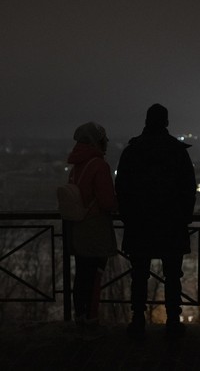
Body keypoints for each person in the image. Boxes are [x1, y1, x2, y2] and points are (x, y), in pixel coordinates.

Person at [115, 103, 196, 338]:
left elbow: (122, 189)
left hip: (140, 224)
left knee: (139, 275)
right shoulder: (178, 151)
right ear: (166, 122)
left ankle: (138, 320)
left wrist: (129, 217)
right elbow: (188, 189)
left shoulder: (132, 151)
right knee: (173, 276)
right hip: (171, 224)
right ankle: (172, 321)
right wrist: (183, 217)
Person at [66, 122, 118, 331]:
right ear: (97, 141)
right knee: (95, 275)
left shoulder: (76, 167)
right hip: (96, 228)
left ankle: (79, 317)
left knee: (81, 275)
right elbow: (107, 202)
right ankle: (90, 321)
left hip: (78, 227)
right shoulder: (99, 165)